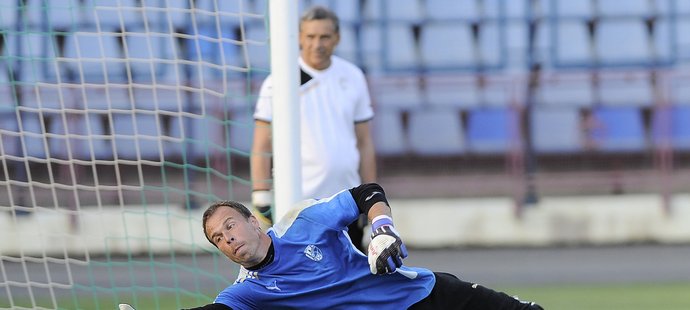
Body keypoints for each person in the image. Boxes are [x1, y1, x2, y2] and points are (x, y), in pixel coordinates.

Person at [185, 183, 543, 310]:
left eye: (229, 226)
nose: (226, 238)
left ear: (252, 221)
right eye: (217, 238)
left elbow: (366, 192)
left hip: (421, 295)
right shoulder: (247, 292)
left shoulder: (303, 222)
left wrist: (383, 230)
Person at [250, 5, 376, 252]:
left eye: (324, 37)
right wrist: (260, 194)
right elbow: (262, 144)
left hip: (347, 200)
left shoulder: (352, 76)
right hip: (298, 204)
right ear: (299, 37)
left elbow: (365, 142)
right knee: (304, 278)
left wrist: (371, 196)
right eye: (310, 36)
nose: (317, 44)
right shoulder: (279, 80)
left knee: (351, 280)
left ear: (337, 39)